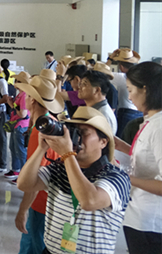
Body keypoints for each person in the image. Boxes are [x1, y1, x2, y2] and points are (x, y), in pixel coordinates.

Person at [17, 106, 131, 254]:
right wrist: (41, 148)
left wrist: (67, 154)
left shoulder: (117, 177)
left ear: (103, 142)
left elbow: (89, 201)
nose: (76, 138)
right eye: (74, 131)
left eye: (83, 133)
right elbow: (24, 184)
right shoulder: (60, 168)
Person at [112, 62, 162, 253]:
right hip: (138, 214)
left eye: (131, 90)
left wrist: (127, 178)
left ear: (145, 89)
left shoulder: (159, 126)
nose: (129, 97)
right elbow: (151, 158)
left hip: (150, 222)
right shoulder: (150, 120)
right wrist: (123, 147)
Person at [14, 69, 64, 254]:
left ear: (33, 100)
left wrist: (23, 209)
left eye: (27, 95)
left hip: (41, 203)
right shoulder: (50, 122)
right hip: (50, 200)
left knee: (34, 246)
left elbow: (34, 178)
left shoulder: (39, 132)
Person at [108, 49, 143, 137]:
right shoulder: (141, 77)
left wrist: (110, 59)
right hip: (140, 112)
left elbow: (101, 73)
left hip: (126, 113)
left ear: (121, 66)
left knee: (121, 140)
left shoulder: (121, 77)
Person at [4, 71, 31, 182]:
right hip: (16, 124)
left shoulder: (24, 95)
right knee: (13, 147)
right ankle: (16, 169)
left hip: (21, 125)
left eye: (19, 81)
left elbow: (23, 114)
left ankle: (24, 175)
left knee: (20, 151)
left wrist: (12, 105)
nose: (16, 82)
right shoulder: (20, 94)